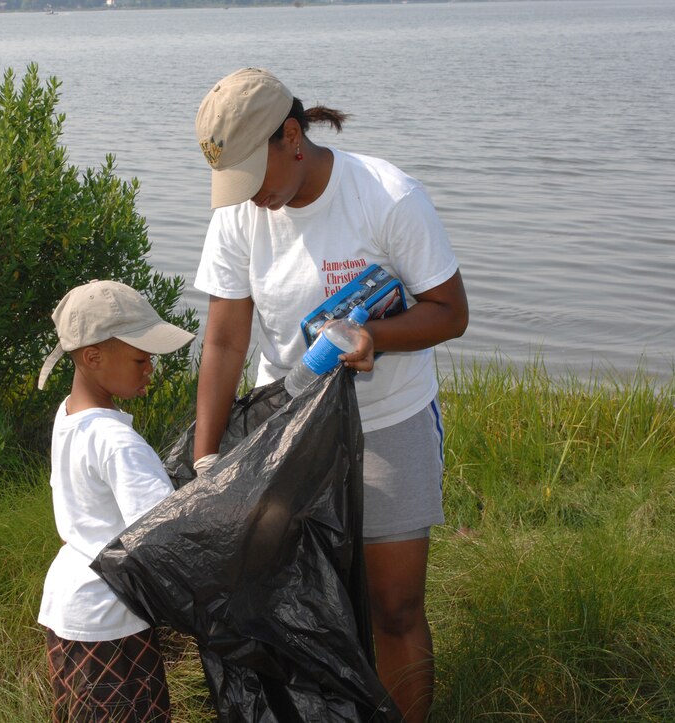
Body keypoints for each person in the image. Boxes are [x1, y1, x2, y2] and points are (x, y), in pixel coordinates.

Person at [191, 68, 468, 723]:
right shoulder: (239, 215)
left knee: (394, 605)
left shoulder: (386, 197)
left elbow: (450, 312)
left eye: (252, 179)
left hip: (387, 417)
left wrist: (374, 335)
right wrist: (207, 461)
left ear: (292, 137)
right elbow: (227, 341)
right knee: (297, 603)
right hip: (287, 426)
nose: (249, 199)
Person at [36, 279, 195, 722]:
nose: (150, 370)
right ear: (93, 357)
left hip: (69, 606)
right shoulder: (118, 442)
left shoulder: (70, 414)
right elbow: (164, 538)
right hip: (110, 620)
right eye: (141, 359)